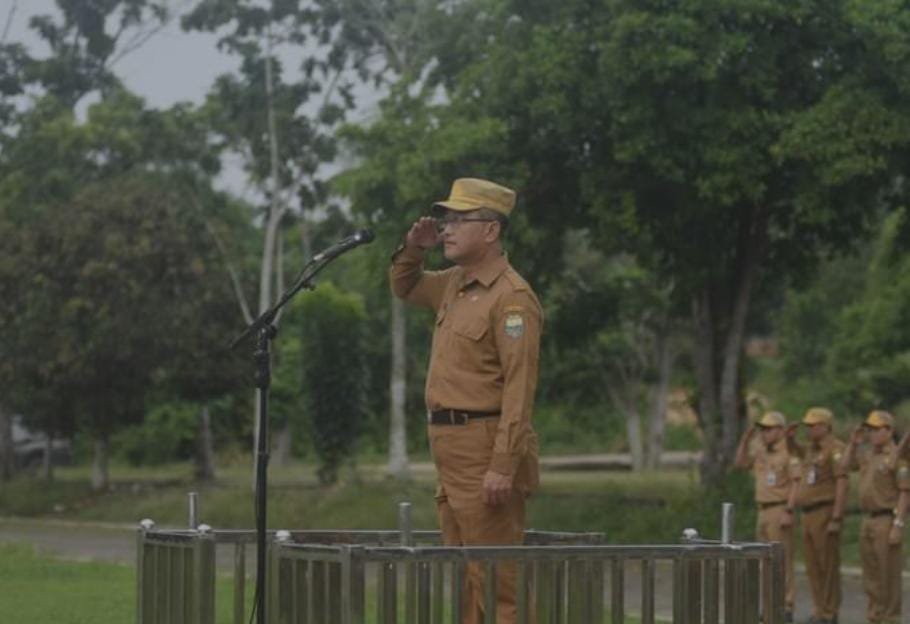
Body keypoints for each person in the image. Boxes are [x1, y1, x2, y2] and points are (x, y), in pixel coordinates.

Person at [389, 177, 542, 624]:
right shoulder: (454, 283)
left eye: (459, 219)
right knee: (465, 577)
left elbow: (519, 387)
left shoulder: (511, 298)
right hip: (450, 449)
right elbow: (404, 286)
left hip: (483, 448)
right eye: (445, 218)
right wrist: (414, 248)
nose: (446, 228)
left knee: (499, 585)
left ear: (491, 231)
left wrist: (502, 464)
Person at [840, 410, 910, 624]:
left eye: (875, 429)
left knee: (888, 573)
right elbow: (843, 467)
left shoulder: (897, 456)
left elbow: (905, 491)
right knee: (870, 575)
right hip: (867, 519)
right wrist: (853, 444)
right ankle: (874, 616)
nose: (871, 434)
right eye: (868, 430)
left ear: (889, 431)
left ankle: (891, 618)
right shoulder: (867, 454)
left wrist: (898, 524)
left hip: (886, 519)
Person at [734, 411, 800, 622]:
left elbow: (797, 483)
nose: (765, 433)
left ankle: (786, 605)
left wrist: (789, 510)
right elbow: (740, 464)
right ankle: (771, 605)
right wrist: (745, 440)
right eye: (762, 429)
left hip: (779, 508)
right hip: (762, 510)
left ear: (781, 430)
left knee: (781, 559)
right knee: (765, 561)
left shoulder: (789, 451)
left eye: (769, 429)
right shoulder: (760, 450)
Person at [787, 407, 846, 624]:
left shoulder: (836, 449)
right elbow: (796, 452)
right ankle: (819, 609)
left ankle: (830, 612)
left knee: (827, 564)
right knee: (812, 565)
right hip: (808, 513)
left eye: (813, 426)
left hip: (825, 510)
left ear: (825, 426)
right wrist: (790, 439)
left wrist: (836, 517)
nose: (809, 430)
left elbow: (842, 483)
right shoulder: (811, 450)